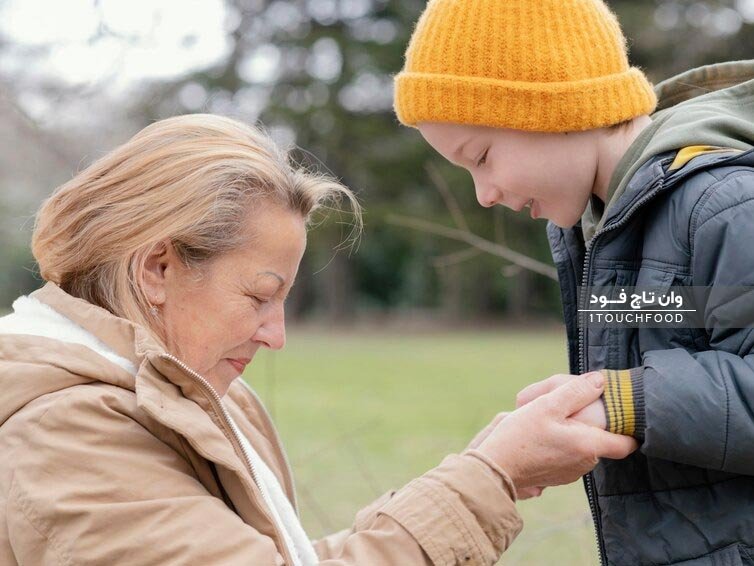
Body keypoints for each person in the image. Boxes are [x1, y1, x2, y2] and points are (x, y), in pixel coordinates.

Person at [0, 114, 634, 565]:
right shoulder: (64, 429)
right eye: (258, 296)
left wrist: (493, 473)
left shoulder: (189, 394)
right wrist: (492, 476)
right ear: (157, 269)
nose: (276, 336)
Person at [394, 0, 754, 564]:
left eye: (482, 157)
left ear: (554, 107)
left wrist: (623, 402)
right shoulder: (602, 230)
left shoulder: (723, 205)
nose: (483, 195)